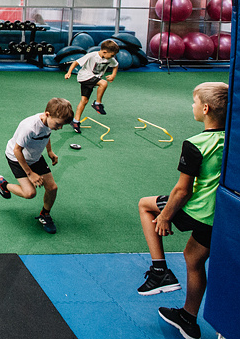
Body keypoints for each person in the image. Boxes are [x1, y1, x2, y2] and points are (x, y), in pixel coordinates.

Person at [136, 82, 228, 339]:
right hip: (221, 215)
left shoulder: (196, 143)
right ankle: (188, 318)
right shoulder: (235, 140)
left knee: (145, 205)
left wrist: (165, 216)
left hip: (196, 210)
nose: (193, 106)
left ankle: (159, 271)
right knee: (194, 259)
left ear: (206, 108)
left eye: (195, 102)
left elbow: (182, 191)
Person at [0, 97, 75, 234]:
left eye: (62, 125)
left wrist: (49, 151)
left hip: (35, 156)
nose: (60, 128)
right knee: (30, 193)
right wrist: (30, 173)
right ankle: (4, 185)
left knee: (52, 187)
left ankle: (45, 215)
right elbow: (17, 150)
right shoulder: (30, 127)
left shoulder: (49, 122)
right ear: (48, 114)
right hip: (17, 158)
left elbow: (47, 134)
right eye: (58, 124)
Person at [64, 39, 119, 133]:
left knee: (84, 101)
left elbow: (115, 65)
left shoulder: (110, 58)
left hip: (93, 79)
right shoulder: (92, 55)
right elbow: (76, 62)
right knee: (103, 83)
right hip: (85, 77)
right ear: (105, 52)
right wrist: (69, 72)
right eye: (112, 55)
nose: (112, 57)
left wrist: (113, 75)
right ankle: (97, 103)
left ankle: (75, 121)